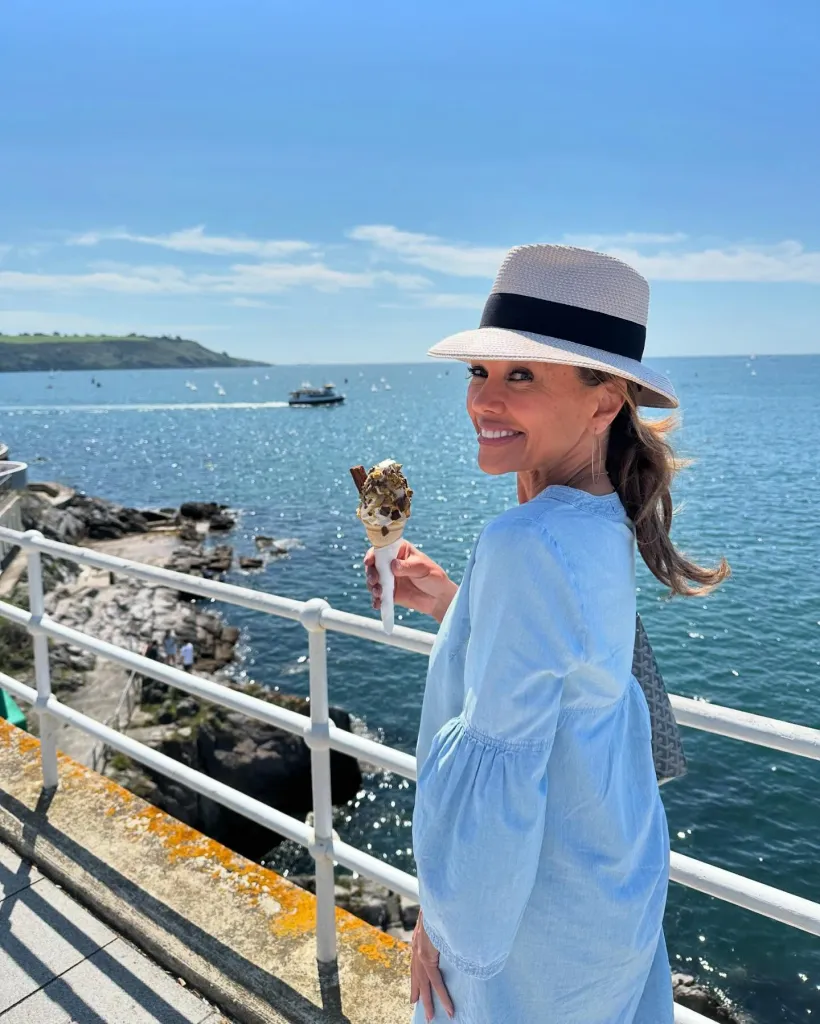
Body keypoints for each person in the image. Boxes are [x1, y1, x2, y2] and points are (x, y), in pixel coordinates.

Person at [365, 245, 729, 1024]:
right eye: (481, 373)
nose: (485, 401)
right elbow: (570, 673)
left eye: (522, 375)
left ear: (605, 401)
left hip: (534, 930)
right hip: (610, 892)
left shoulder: (524, 542)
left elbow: (496, 794)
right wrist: (458, 608)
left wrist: (446, 929)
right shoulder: (602, 520)